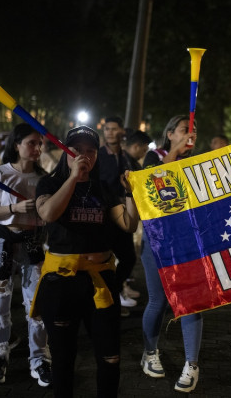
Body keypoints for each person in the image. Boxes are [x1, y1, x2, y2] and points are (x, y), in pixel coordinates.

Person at [32, 125, 139, 397]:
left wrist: (130, 193)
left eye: (90, 150)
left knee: (110, 356)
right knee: (64, 358)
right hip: (61, 282)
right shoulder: (50, 184)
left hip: (100, 281)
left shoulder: (102, 189)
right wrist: (72, 179)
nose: (84, 155)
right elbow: (47, 214)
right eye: (76, 150)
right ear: (65, 152)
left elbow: (127, 224)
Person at [0, 123, 51, 386]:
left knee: (37, 305)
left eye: (40, 143)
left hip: (33, 243)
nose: (37, 148)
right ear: (16, 144)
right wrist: (14, 207)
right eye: (31, 142)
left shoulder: (44, 178)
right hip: (3, 243)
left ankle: (40, 359)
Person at [140, 115, 203, 393]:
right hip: (157, 242)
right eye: (184, 130)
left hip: (189, 244)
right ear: (169, 135)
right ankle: (149, 351)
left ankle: (192, 364)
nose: (191, 135)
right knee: (158, 301)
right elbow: (155, 180)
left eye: (194, 131)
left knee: (191, 301)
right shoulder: (154, 157)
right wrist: (177, 153)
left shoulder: (199, 162)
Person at [98, 116, 140, 315]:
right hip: (105, 216)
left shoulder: (127, 157)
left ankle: (114, 292)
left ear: (122, 131)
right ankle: (106, 300)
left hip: (125, 215)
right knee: (104, 260)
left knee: (129, 258)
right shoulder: (97, 155)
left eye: (114, 129)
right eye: (107, 129)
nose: (110, 132)